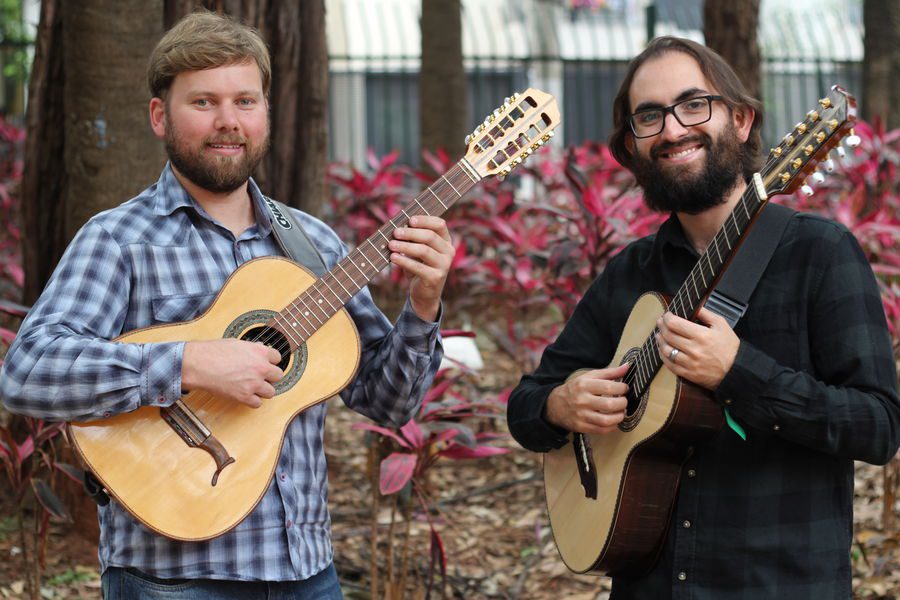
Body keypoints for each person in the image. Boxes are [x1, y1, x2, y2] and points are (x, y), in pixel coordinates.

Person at [0, 11, 454, 600]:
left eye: (245, 101)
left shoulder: (311, 243)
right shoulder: (119, 240)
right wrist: (189, 363)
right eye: (204, 102)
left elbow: (389, 403)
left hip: (307, 573)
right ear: (160, 115)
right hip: (173, 580)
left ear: (265, 112)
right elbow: (27, 371)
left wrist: (423, 302)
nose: (227, 122)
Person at [507, 36, 900, 599]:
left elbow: (879, 427)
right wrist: (560, 403)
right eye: (649, 116)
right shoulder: (631, 273)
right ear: (633, 148)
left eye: (694, 105)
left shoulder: (821, 255)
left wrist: (740, 371)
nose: (672, 130)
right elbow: (526, 405)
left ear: (740, 120)